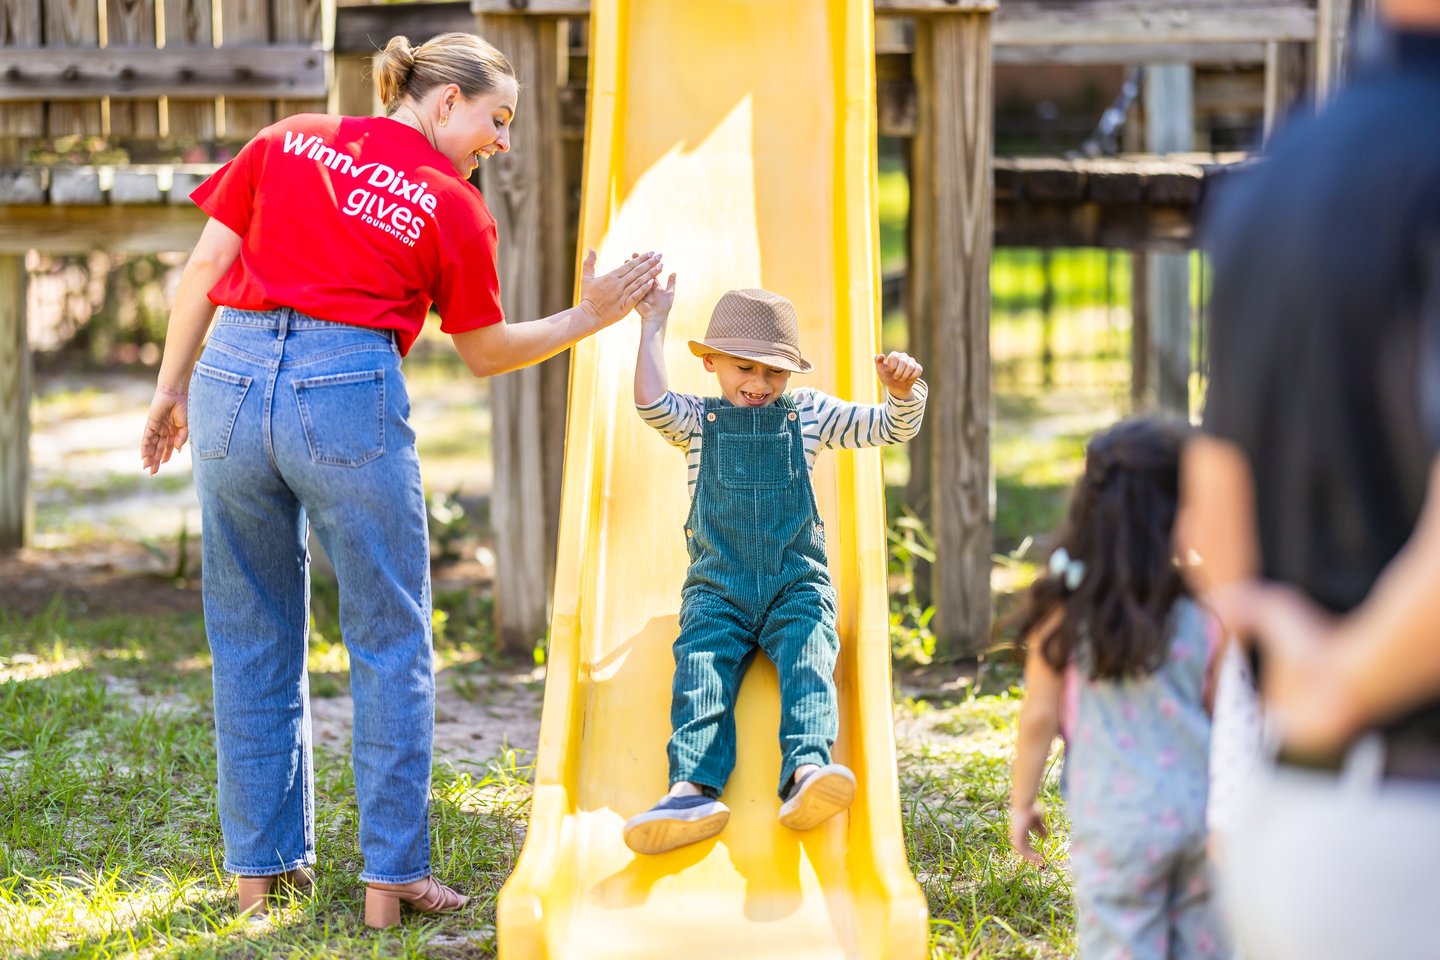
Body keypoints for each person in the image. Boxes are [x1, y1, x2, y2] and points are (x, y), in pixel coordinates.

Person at [138, 32, 663, 927]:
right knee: (389, 635)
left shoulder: (287, 136)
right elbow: (487, 354)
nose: (501, 141)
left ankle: (260, 881)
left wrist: (170, 389)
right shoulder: (452, 207)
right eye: (496, 120)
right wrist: (595, 313)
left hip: (226, 377)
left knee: (250, 632)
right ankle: (392, 882)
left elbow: (204, 268)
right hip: (343, 390)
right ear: (445, 100)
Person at [1178, 2, 1440, 956]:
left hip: (1317, 835)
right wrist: (1351, 677)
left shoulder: (1273, 181)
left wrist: (1309, 677)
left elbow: (1216, 514)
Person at [619, 282, 926, 854]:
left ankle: (808, 771)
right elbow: (650, 403)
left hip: (794, 583)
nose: (759, 385)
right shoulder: (696, 421)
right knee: (700, 669)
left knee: (812, 655)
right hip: (717, 588)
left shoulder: (808, 414)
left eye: (775, 374)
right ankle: (691, 790)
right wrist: (652, 325)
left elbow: (890, 428)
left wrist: (903, 393)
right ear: (710, 363)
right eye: (744, 369)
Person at [1009, 416, 1229, 960]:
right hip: (1202, 815)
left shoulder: (1066, 608)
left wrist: (1022, 802)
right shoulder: (1207, 606)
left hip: (1116, 824)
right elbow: (1222, 712)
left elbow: (1038, 716)